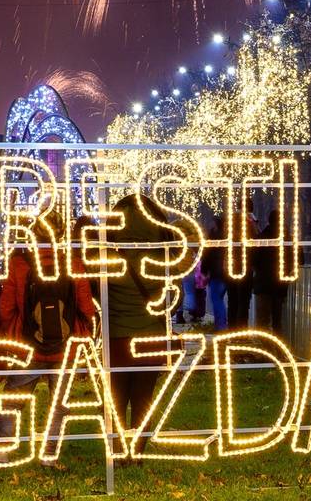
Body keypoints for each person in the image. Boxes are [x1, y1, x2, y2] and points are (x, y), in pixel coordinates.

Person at [0, 214, 95, 443]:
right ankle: (50, 452)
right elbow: (87, 308)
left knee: (12, 401)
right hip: (66, 346)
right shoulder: (73, 264)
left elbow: (5, 308)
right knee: (59, 405)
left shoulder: (19, 264)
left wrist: (16, 331)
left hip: (28, 346)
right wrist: (83, 330)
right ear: (61, 235)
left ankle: (0, 450)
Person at [106, 193, 168, 452]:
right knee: (144, 398)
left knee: (116, 399)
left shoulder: (108, 260)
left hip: (117, 337)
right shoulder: (162, 261)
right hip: (151, 338)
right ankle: (138, 449)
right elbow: (172, 299)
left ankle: (119, 448)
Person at [249, 205, 287, 334]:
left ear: (269, 220)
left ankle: (265, 346)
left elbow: (252, 259)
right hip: (280, 285)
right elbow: (300, 258)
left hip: (263, 284)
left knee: (262, 322)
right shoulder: (287, 239)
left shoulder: (261, 238)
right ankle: (277, 345)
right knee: (277, 322)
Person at [202, 215, 229, 328]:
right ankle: (221, 323)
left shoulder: (213, 237)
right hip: (226, 272)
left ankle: (221, 325)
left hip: (216, 273)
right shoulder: (228, 236)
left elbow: (206, 255)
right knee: (220, 299)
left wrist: (204, 270)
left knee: (216, 300)